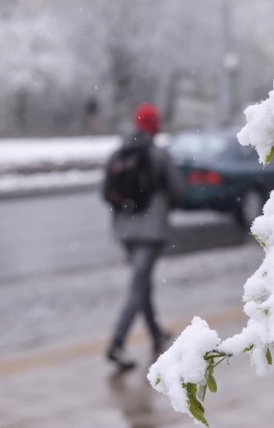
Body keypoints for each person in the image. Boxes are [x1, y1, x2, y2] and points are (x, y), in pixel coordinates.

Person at [103, 103, 185, 370]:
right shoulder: (158, 155)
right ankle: (117, 344)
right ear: (155, 126)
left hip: (125, 231)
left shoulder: (118, 153)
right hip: (150, 232)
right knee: (138, 287)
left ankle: (156, 334)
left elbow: (106, 192)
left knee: (143, 283)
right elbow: (178, 191)